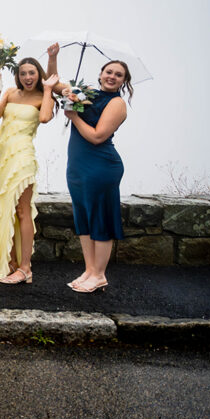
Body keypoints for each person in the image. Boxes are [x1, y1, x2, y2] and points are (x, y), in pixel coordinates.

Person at [0, 47, 59, 284]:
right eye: (23, 73)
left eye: (32, 73)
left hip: (23, 157)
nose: (28, 77)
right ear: (18, 75)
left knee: (22, 210)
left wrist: (48, 88)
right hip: (2, 157)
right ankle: (12, 261)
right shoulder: (9, 92)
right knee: (4, 207)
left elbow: (45, 117)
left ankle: (25, 267)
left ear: (38, 75)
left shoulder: (41, 96)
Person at [63, 60, 132, 294]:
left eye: (119, 75)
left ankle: (100, 275)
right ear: (101, 73)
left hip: (101, 167)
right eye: (109, 72)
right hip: (77, 168)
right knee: (83, 218)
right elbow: (55, 85)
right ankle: (89, 270)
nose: (112, 76)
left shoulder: (117, 103)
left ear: (124, 80)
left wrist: (73, 117)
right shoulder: (87, 93)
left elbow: (97, 136)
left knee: (100, 218)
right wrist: (53, 59)